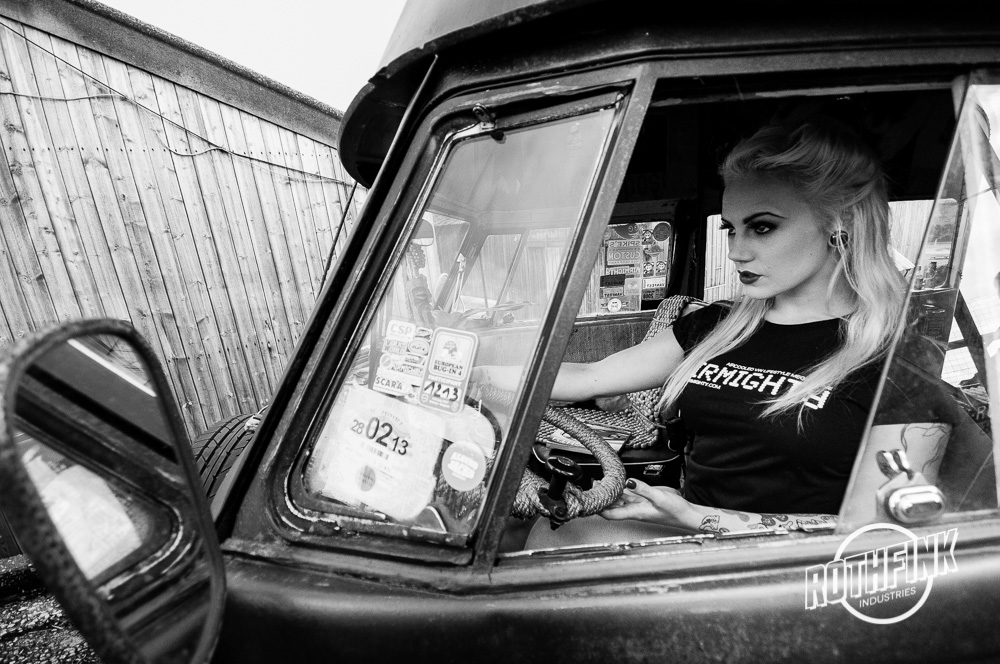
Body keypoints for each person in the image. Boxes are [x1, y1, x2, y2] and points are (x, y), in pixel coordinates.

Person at [478, 117, 955, 535]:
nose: (736, 251)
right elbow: (590, 376)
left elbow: (881, 532)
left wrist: (699, 519)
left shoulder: (898, 361)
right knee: (526, 531)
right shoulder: (718, 326)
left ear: (839, 221)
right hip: (691, 534)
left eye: (762, 227)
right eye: (731, 228)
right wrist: (469, 375)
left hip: (791, 572)